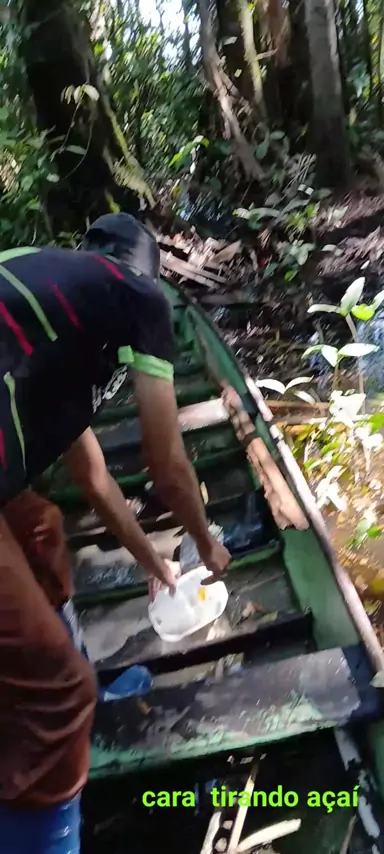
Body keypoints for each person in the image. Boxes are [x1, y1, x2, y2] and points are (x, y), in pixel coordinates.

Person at [0, 212, 231, 853]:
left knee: (42, 528)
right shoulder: (139, 297)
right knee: (58, 697)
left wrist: (156, 565)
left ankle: (68, 674)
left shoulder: (61, 311)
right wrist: (205, 542)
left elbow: (97, 481)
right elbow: (168, 466)